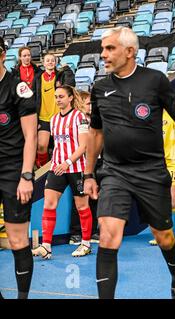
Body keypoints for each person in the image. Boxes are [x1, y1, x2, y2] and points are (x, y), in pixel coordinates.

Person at [83, 27, 175, 299]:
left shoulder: (155, 80)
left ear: (130, 51)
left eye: (110, 49)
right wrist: (88, 174)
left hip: (151, 173)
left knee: (164, 237)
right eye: (102, 49)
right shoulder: (99, 88)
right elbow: (95, 133)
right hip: (114, 173)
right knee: (108, 235)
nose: (103, 55)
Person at [32, 85, 93, 259]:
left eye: (61, 96)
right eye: (56, 97)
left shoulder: (80, 118)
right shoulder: (53, 120)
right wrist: (59, 163)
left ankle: (86, 243)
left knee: (82, 206)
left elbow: (84, 146)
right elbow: (58, 146)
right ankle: (46, 246)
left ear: (70, 98)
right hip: (57, 168)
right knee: (49, 204)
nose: (58, 99)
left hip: (77, 168)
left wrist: (67, 162)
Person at [0, 36, 37, 299]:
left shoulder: (18, 87)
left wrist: (26, 175)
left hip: (13, 170)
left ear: (2, 54)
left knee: (17, 240)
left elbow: (32, 136)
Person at [33, 53, 75, 168]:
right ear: (43, 63)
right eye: (48, 60)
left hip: (59, 117)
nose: (50, 62)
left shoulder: (61, 75)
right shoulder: (38, 77)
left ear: (56, 62)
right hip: (43, 117)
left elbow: (71, 84)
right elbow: (33, 97)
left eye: (52, 60)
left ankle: (61, 166)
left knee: (61, 146)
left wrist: (66, 68)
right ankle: (44, 169)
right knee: (41, 146)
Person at [68, 91, 100, 245]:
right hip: (81, 165)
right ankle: (76, 233)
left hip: (98, 164)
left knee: (94, 199)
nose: (91, 107)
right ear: (80, 104)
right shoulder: (76, 120)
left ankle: (93, 232)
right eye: (88, 104)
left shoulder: (95, 120)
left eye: (92, 104)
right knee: (80, 200)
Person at [149, 108, 175, 246]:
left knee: (172, 202)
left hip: (172, 162)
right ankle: (165, 234)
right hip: (156, 163)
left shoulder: (172, 116)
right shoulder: (150, 116)